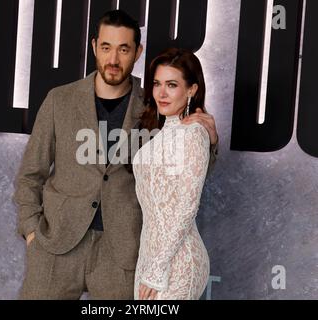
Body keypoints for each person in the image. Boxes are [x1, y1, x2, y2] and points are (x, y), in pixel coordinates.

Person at [13, 10, 218, 300]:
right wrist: (31, 230)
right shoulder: (60, 100)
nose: (113, 59)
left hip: (123, 252)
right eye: (106, 47)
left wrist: (210, 143)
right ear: (95, 46)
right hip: (56, 244)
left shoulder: (157, 107)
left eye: (124, 49)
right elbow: (30, 174)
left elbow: (185, 179)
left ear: (137, 52)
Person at [133, 48, 212, 300]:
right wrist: (149, 265)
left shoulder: (194, 133)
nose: (161, 93)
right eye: (157, 84)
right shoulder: (159, 134)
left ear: (191, 90)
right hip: (149, 256)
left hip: (177, 261)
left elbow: (187, 206)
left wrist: (157, 269)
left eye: (172, 84)